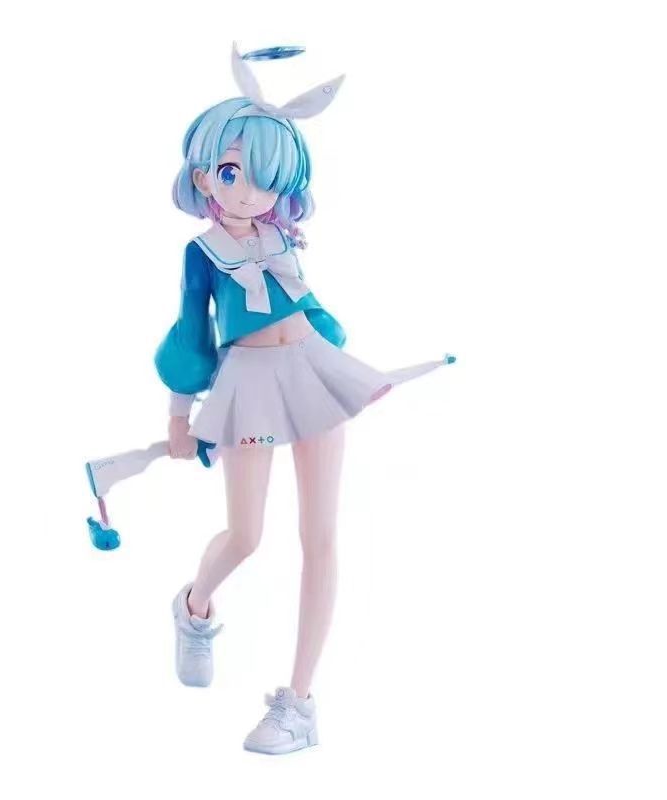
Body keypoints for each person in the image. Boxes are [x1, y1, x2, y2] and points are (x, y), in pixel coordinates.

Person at [155, 44, 454, 755]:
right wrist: (177, 414)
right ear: (203, 174)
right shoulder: (204, 252)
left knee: (320, 538)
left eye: (265, 179)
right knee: (246, 534)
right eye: (232, 173)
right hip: (247, 385)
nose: (247, 192)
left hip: (313, 371)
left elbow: (312, 312)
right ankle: (195, 606)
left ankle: (299, 704)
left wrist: (350, 373)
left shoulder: (283, 237)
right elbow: (191, 333)